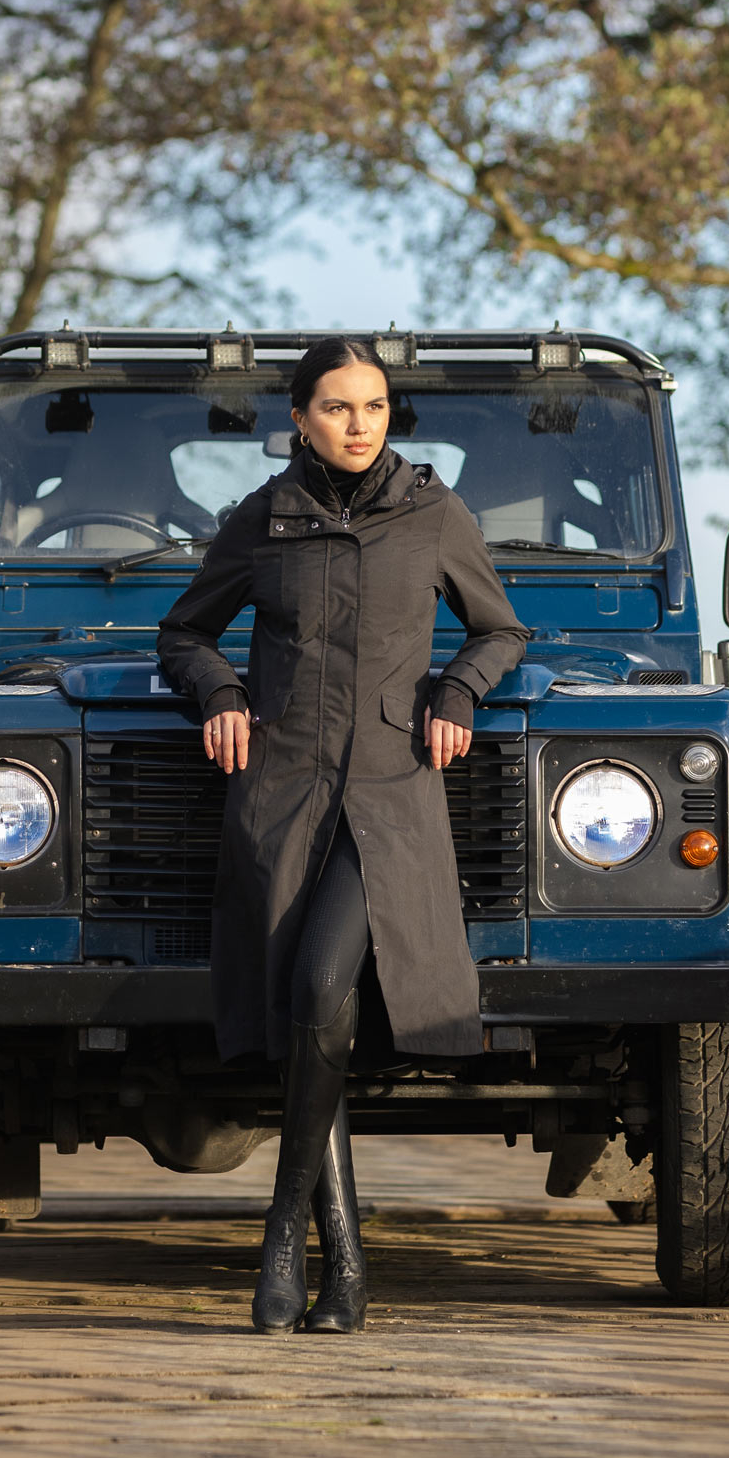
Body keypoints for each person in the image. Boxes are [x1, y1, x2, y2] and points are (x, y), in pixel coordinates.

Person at [157, 336, 527, 1334]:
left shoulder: (431, 514)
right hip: (283, 798)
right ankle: (347, 1271)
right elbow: (183, 632)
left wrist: (457, 690)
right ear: (299, 419)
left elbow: (499, 629)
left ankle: (281, 1232)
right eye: (337, 407)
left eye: (373, 406)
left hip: (391, 799)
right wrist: (220, 692)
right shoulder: (262, 522)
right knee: (299, 1019)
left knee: (323, 986)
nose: (359, 423)